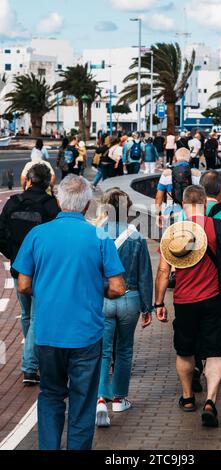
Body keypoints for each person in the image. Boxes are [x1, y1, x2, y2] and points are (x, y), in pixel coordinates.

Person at [12, 175, 126, 450]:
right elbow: (118, 287)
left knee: (50, 395)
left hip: (48, 333)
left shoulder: (37, 235)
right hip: (86, 334)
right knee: (82, 401)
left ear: (59, 200)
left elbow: (24, 283)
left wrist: (49, 289)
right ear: (87, 204)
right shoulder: (99, 236)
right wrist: (95, 288)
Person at [155, 185, 221, 428]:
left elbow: (162, 271)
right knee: (215, 352)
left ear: (182, 203)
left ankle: (188, 397)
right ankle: (210, 400)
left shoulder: (174, 232)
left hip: (184, 300)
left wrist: (158, 302)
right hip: (214, 298)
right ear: (204, 203)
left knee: (185, 351)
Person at [94, 188, 153, 427]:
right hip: (129, 298)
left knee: (103, 351)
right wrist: (148, 306)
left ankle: (100, 399)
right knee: (125, 349)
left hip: (103, 298)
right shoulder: (136, 236)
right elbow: (144, 274)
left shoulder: (94, 233)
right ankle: (119, 398)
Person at [0, 164, 60, 386]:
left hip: (19, 268)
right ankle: (30, 365)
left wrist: (15, 256)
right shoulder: (51, 206)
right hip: (42, 270)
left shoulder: (13, 203)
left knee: (26, 315)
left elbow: (1, 234)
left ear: (29, 179)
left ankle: (30, 356)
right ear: (47, 182)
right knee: (36, 317)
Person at [155, 147, 202, 228]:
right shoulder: (197, 173)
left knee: (172, 238)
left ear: (176, 158)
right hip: (191, 212)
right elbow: (202, 196)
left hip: (171, 211)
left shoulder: (166, 173)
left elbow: (158, 197)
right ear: (189, 158)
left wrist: (157, 214)